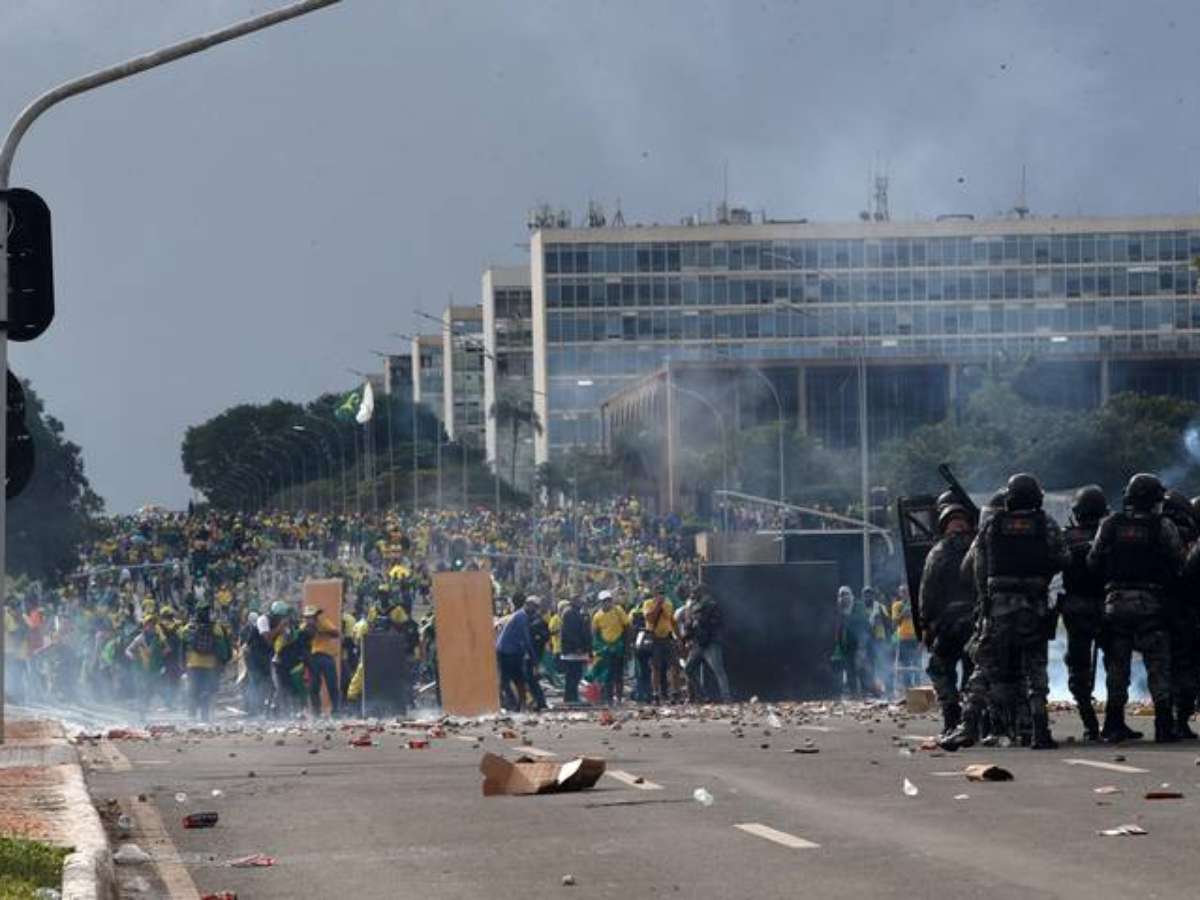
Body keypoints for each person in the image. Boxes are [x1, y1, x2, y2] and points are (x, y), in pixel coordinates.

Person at [945, 473, 1066, 750]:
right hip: (1033, 608)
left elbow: (975, 566)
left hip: (998, 608)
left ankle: (967, 726)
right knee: (1036, 671)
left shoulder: (992, 524)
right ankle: (1039, 730)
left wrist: (985, 599)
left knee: (984, 668)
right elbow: (1063, 558)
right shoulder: (1046, 524)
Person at [1088, 473, 1184, 743]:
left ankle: (1113, 723)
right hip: (1152, 605)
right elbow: (1179, 561)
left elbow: (1093, 560)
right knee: (1158, 666)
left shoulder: (1110, 524)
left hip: (1116, 604)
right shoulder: (1163, 526)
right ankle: (1164, 726)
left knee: (1117, 668)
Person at [920, 504, 977, 738]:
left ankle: (952, 716)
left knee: (939, 669)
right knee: (975, 673)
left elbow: (928, 590)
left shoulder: (938, 552)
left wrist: (926, 624)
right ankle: (974, 721)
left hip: (949, 623)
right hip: (976, 621)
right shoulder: (979, 547)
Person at [1059, 485, 1109, 741]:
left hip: (1076, 606)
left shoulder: (1066, 537)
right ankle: (1114, 721)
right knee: (1116, 663)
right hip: (1108, 603)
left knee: (1079, 666)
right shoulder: (1110, 532)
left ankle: (1090, 722)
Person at [1163, 491, 1199, 739]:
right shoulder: (1185, 539)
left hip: (1165, 609)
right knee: (1186, 665)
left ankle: (1170, 719)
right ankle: (1178, 720)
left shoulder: (1157, 532)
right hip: (1185, 611)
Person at [179, 598, 231, 722]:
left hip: (193, 664)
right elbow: (222, 648)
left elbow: (182, 646)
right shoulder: (216, 628)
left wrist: (182, 662)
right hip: (210, 665)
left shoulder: (189, 627)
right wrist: (223, 661)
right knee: (207, 690)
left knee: (193, 689)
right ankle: (204, 715)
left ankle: (192, 714)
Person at [682, 586, 731, 702]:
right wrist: (687, 635)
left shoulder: (711, 604)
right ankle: (703, 695)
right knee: (688, 669)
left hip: (711, 643)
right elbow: (690, 624)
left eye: (696, 593)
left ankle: (726, 697)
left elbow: (708, 621)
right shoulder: (694, 606)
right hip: (699, 643)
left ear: (702, 593)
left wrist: (695, 617)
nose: (693, 595)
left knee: (718, 671)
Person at [495, 594, 535, 711]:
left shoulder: (518, 615)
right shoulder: (522, 617)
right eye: (533, 607)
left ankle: (516, 704)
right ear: (527, 605)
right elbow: (526, 639)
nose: (535, 610)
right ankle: (515, 704)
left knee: (512, 679)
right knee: (515, 679)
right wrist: (533, 657)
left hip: (507, 650)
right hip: (508, 652)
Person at [590, 590, 629, 704]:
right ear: (600, 602)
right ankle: (609, 699)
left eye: (609, 600)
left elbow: (627, 627)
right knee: (607, 675)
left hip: (618, 647)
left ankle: (619, 698)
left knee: (619, 674)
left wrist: (626, 646)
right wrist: (599, 648)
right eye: (604, 601)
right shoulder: (597, 616)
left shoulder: (618, 611)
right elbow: (595, 634)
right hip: (605, 649)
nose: (607, 603)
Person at [302, 605, 341, 717]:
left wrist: (321, 631)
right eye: (308, 617)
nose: (310, 619)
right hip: (312, 658)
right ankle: (316, 712)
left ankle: (336, 710)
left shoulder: (323, 623)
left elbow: (336, 633)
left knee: (332, 684)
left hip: (326, 656)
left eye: (312, 617)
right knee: (313, 686)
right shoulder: (303, 627)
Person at [642, 591, 675, 702]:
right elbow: (650, 618)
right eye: (658, 593)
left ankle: (674, 692)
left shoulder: (668, 604)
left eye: (662, 593)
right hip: (655, 638)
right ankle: (655, 693)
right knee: (655, 667)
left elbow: (671, 620)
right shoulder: (648, 603)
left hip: (667, 638)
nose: (660, 595)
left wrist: (678, 638)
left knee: (673, 665)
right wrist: (657, 605)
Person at [559, 594, 590, 704]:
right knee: (572, 675)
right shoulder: (570, 613)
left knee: (576, 675)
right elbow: (570, 632)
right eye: (578, 600)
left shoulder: (579, 613)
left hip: (578, 650)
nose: (580, 602)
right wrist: (577, 646)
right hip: (572, 650)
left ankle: (572, 696)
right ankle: (570, 697)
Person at [891, 585, 919, 689]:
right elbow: (894, 624)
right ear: (900, 593)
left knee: (917, 663)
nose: (905, 593)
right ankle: (907, 687)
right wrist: (903, 613)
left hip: (915, 638)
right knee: (905, 664)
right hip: (903, 638)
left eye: (907, 591)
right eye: (903, 591)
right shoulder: (896, 605)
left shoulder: (916, 605)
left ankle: (918, 686)